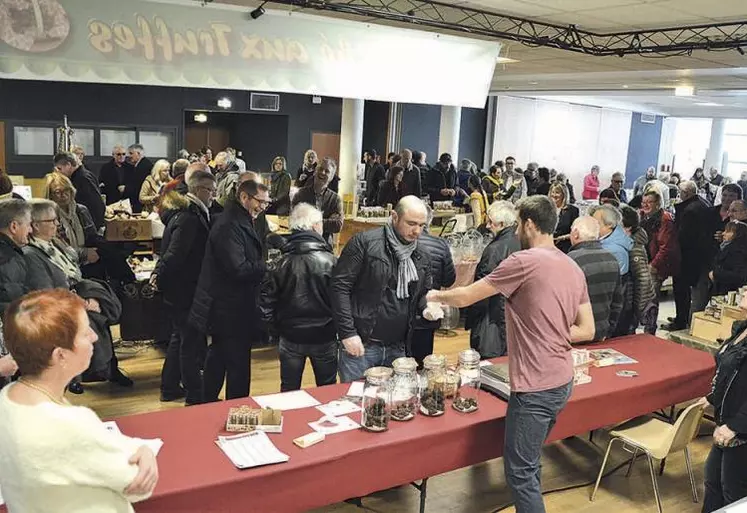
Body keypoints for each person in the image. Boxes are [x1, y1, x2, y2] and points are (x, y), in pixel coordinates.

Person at [426, 195, 594, 513]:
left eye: (518, 223)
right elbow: (586, 330)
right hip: (561, 381)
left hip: (536, 387)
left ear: (528, 224)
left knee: (520, 473)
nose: (516, 230)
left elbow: (467, 296)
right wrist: (550, 331)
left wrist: (436, 295)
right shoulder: (572, 266)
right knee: (528, 464)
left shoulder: (523, 261)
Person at [0, 289, 159, 512]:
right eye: (85, 333)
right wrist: (145, 451)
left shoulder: (7, 399)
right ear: (60, 355)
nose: (94, 337)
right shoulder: (69, 423)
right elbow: (137, 484)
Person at [22, 200, 130, 391]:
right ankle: (84, 373)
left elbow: (72, 262)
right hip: (60, 307)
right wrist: (84, 303)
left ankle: (102, 369)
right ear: (35, 225)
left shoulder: (54, 243)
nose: (57, 225)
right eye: (52, 221)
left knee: (103, 312)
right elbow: (47, 291)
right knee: (93, 321)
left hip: (75, 293)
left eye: (56, 221)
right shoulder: (32, 254)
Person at [330, 196, 432, 383]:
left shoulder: (421, 254)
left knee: (396, 405)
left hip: (399, 347)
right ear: (394, 217)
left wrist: (427, 307)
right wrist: (347, 333)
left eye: (422, 225)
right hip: (362, 345)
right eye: (411, 223)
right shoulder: (365, 243)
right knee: (356, 403)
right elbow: (339, 288)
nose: (417, 231)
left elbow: (422, 293)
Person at [189, 180, 270, 401]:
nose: (263, 207)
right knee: (236, 365)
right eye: (260, 202)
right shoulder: (229, 225)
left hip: (230, 307)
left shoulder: (240, 220)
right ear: (244, 197)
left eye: (266, 203)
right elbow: (238, 268)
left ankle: (206, 404)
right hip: (229, 309)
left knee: (219, 358)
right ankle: (235, 409)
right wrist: (267, 266)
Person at [259, 203, 338, 391]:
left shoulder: (280, 262)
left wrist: (275, 331)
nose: (322, 227)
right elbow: (342, 302)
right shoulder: (331, 262)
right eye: (320, 223)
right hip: (324, 336)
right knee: (327, 391)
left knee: (289, 390)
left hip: (290, 336)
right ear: (313, 226)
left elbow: (266, 303)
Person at [152, 170, 215, 404]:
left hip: (180, 289)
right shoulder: (189, 217)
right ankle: (194, 395)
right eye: (210, 190)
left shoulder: (185, 213)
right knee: (190, 342)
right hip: (185, 290)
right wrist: (159, 273)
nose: (213, 195)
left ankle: (169, 388)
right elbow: (175, 254)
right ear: (198, 189)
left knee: (180, 338)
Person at [699, 292, 747, 512]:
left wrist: (736, 426)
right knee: (713, 482)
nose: (743, 290)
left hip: (739, 430)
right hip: (726, 421)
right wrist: (712, 398)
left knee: (734, 494)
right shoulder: (741, 328)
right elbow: (729, 372)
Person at [465, 201, 520, 358]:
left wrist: (472, 319)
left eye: (490, 222)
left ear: (501, 224)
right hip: (514, 317)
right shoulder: (522, 242)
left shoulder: (495, 249)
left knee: (489, 365)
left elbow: (481, 290)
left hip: (492, 318)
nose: (487, 225)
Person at [411, 207, 456, 367]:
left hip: (400, 314)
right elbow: (449, 280)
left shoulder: (401, 242)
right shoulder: (440, 244)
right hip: (429, 311)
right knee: (423, 360)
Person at [567, 216, 623, 342]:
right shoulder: (612, 258)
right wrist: (608, 329)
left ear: (575, 234)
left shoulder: (570, 260)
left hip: (575, 334)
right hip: (601, 333)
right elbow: (617, 301)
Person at [665, 180, 711, 331]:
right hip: (697, 256)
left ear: (686, 193)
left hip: (686, 257)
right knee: (686, 291)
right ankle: (682, 317)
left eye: (681, 193)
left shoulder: (689, 210)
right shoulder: (703, 203)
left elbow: (684, 236)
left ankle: (681, 320)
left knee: (681, 290)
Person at [620, 205, 658, 335]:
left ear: (628, 228)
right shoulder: (627, 244)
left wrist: (638, 309)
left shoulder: (634, 247)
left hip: (630, 306)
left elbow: (642, 279)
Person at [291, 157, 344, 247]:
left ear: (331, 177)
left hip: (325, 245)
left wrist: (309, 220)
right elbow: (294, 220)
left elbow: (337, 225)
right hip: (302, 243)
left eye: (327, 171)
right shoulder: (300, 194)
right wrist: (326, 221)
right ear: (315, 171)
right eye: (320, 169)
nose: (322, 172)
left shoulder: (335, 199)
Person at [640, 190, 680, 295]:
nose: (645, 205)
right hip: (643, 263)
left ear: (658, 204)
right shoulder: (642, 217)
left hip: (655, 267)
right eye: (643, 202)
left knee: (649, 301)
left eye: (649, 202)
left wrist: (653, 265)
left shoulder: (665, 220)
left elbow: (666, 247)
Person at [54, 152, 105, 230]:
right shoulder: (84, 175)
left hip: (88, 226)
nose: (59, 172)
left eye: (60, 168)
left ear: (68, 165)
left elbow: (96, 205)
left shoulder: (82, 179)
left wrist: (91, 228)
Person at [0, 200, 32, 315]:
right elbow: (15, 306)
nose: (30, 230)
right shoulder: (8, 260)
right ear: (14, 226)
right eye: (28, 225)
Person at [589, 204, 631, 275]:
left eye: (596, 222)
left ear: (610, 224)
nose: (591, 225)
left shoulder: (616, 250)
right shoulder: (605, 239)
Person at [709, 221, 747, 298]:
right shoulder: (727, 248)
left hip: (730, 294)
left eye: (728, 231)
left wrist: (716, 274)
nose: (723, 233)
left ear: (737, 234)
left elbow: (740, 275)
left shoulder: (736, 251)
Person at [550, 183, 579, 254]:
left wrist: (562, 237)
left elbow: (575, 231)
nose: (554, 195)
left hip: (564, 247)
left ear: (564, 194)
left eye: (557, 192)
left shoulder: (572, 210)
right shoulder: (546, 208)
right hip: (549, 246)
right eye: (552, 192)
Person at [125, 144, 152, 212]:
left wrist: (125, 189)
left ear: (138, 153)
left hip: (140, 204)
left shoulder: (143, 167)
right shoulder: (142, 164)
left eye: (131, 153)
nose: (129, 156)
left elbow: (137, 186)